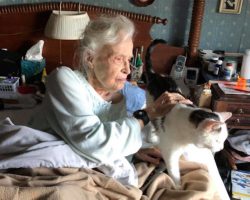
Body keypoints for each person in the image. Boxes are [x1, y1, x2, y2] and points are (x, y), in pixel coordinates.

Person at [29, 14, 190, 186]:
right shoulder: (64, 79)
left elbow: (110, 144)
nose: (128, 69)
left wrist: (135, 151)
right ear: (90, 59)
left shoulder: (119, 98)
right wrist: (147, 114)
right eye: (118, 58)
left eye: (128, 59)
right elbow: (92, 142)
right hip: (43, 165)